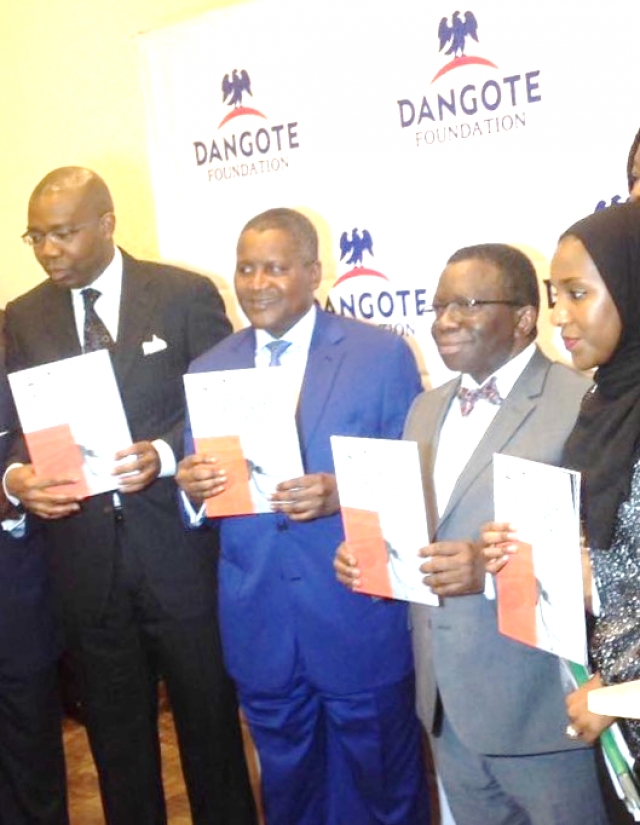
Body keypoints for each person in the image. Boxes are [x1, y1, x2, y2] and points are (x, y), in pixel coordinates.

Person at [3, 167, 256, 825]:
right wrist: (16, 478)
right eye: (36, 236)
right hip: (85, 564)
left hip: (179, 551)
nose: (48, 250)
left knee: (210, 733)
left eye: (63, 233)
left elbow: (225, 403)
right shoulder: (22, 318)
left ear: (107, 223)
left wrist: (167, 454)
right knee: (117, 746)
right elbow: (12, 432)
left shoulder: (181, 294)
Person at [336, 243, 608, 825]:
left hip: (543, 709)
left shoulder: (580, 402)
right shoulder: (424, 409)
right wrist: (369, 554)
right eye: (438, 307)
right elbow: (418, 533)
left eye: (466, 304)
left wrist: (487, 572)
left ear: (524, 318)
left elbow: (610, 555)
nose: (444, 322)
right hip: (445, 706)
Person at [176, 208, 430, 825]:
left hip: (356, 615)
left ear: (314, 272)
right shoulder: (209, 368)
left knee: (386, 793)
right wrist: (191, 488)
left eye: (275, 268)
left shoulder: (381, 356)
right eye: (245, 268)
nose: (256, 282)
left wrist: (341, 493)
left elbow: (413, 485)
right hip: (259, 624)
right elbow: (203, 499)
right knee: (289, 798)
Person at [547, 200, 640, 821]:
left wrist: (628, 696)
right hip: (614, 724)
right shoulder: (601, 406)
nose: (560, 317)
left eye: (578, 294)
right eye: (554, 296)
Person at [0, 359, 68, 824]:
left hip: (15, 600)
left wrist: (9, 497)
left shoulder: (24, 377)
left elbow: (56, 469)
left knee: (32, 759)